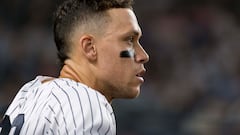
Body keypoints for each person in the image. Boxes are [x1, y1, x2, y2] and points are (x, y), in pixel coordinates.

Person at [0, 0, 149, 134]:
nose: (143, 55)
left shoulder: (29, 93)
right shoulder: (86, 104)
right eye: (129, 40)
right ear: (90, 47)